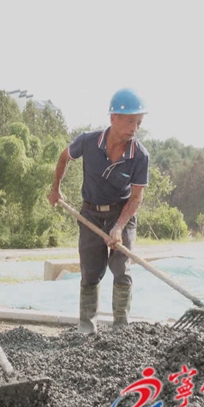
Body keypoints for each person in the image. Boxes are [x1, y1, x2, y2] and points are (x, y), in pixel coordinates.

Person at [47, 88, 150, 334]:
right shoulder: (88, 141)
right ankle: (86, 328)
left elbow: (136, 197)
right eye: (130, 121)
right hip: (90, 214)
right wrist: (56, 189)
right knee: (90, 272)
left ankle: (121, 330)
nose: (135, 128)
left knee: (121, 270)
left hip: (121, 213)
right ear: (113, 117)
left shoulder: (140, 156)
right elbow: (64, 157)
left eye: (138, 123)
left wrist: (118, 227)